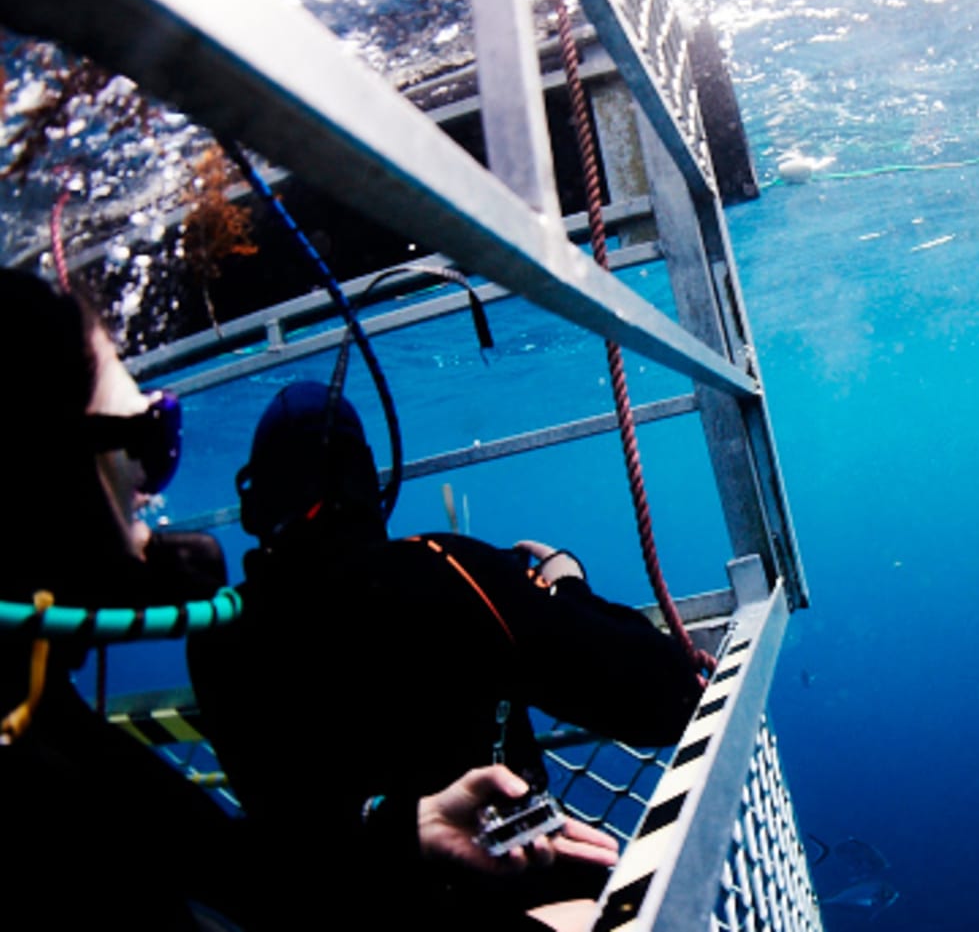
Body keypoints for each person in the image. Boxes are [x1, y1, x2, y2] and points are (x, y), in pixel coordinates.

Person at [186, 381, 704, 930]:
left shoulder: (216, 634)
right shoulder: (446, 570)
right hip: (510, 896)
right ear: (369, 479)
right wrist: (566, 587)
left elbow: (284, 818)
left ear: (255, 500)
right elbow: (669, 700)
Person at [0, 268, 247, 929]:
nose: (150, 494)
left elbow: (235, 865)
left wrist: (399, 831)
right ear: (42, 473)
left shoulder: (39, 705)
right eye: (151, 442)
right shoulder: (42, 783)